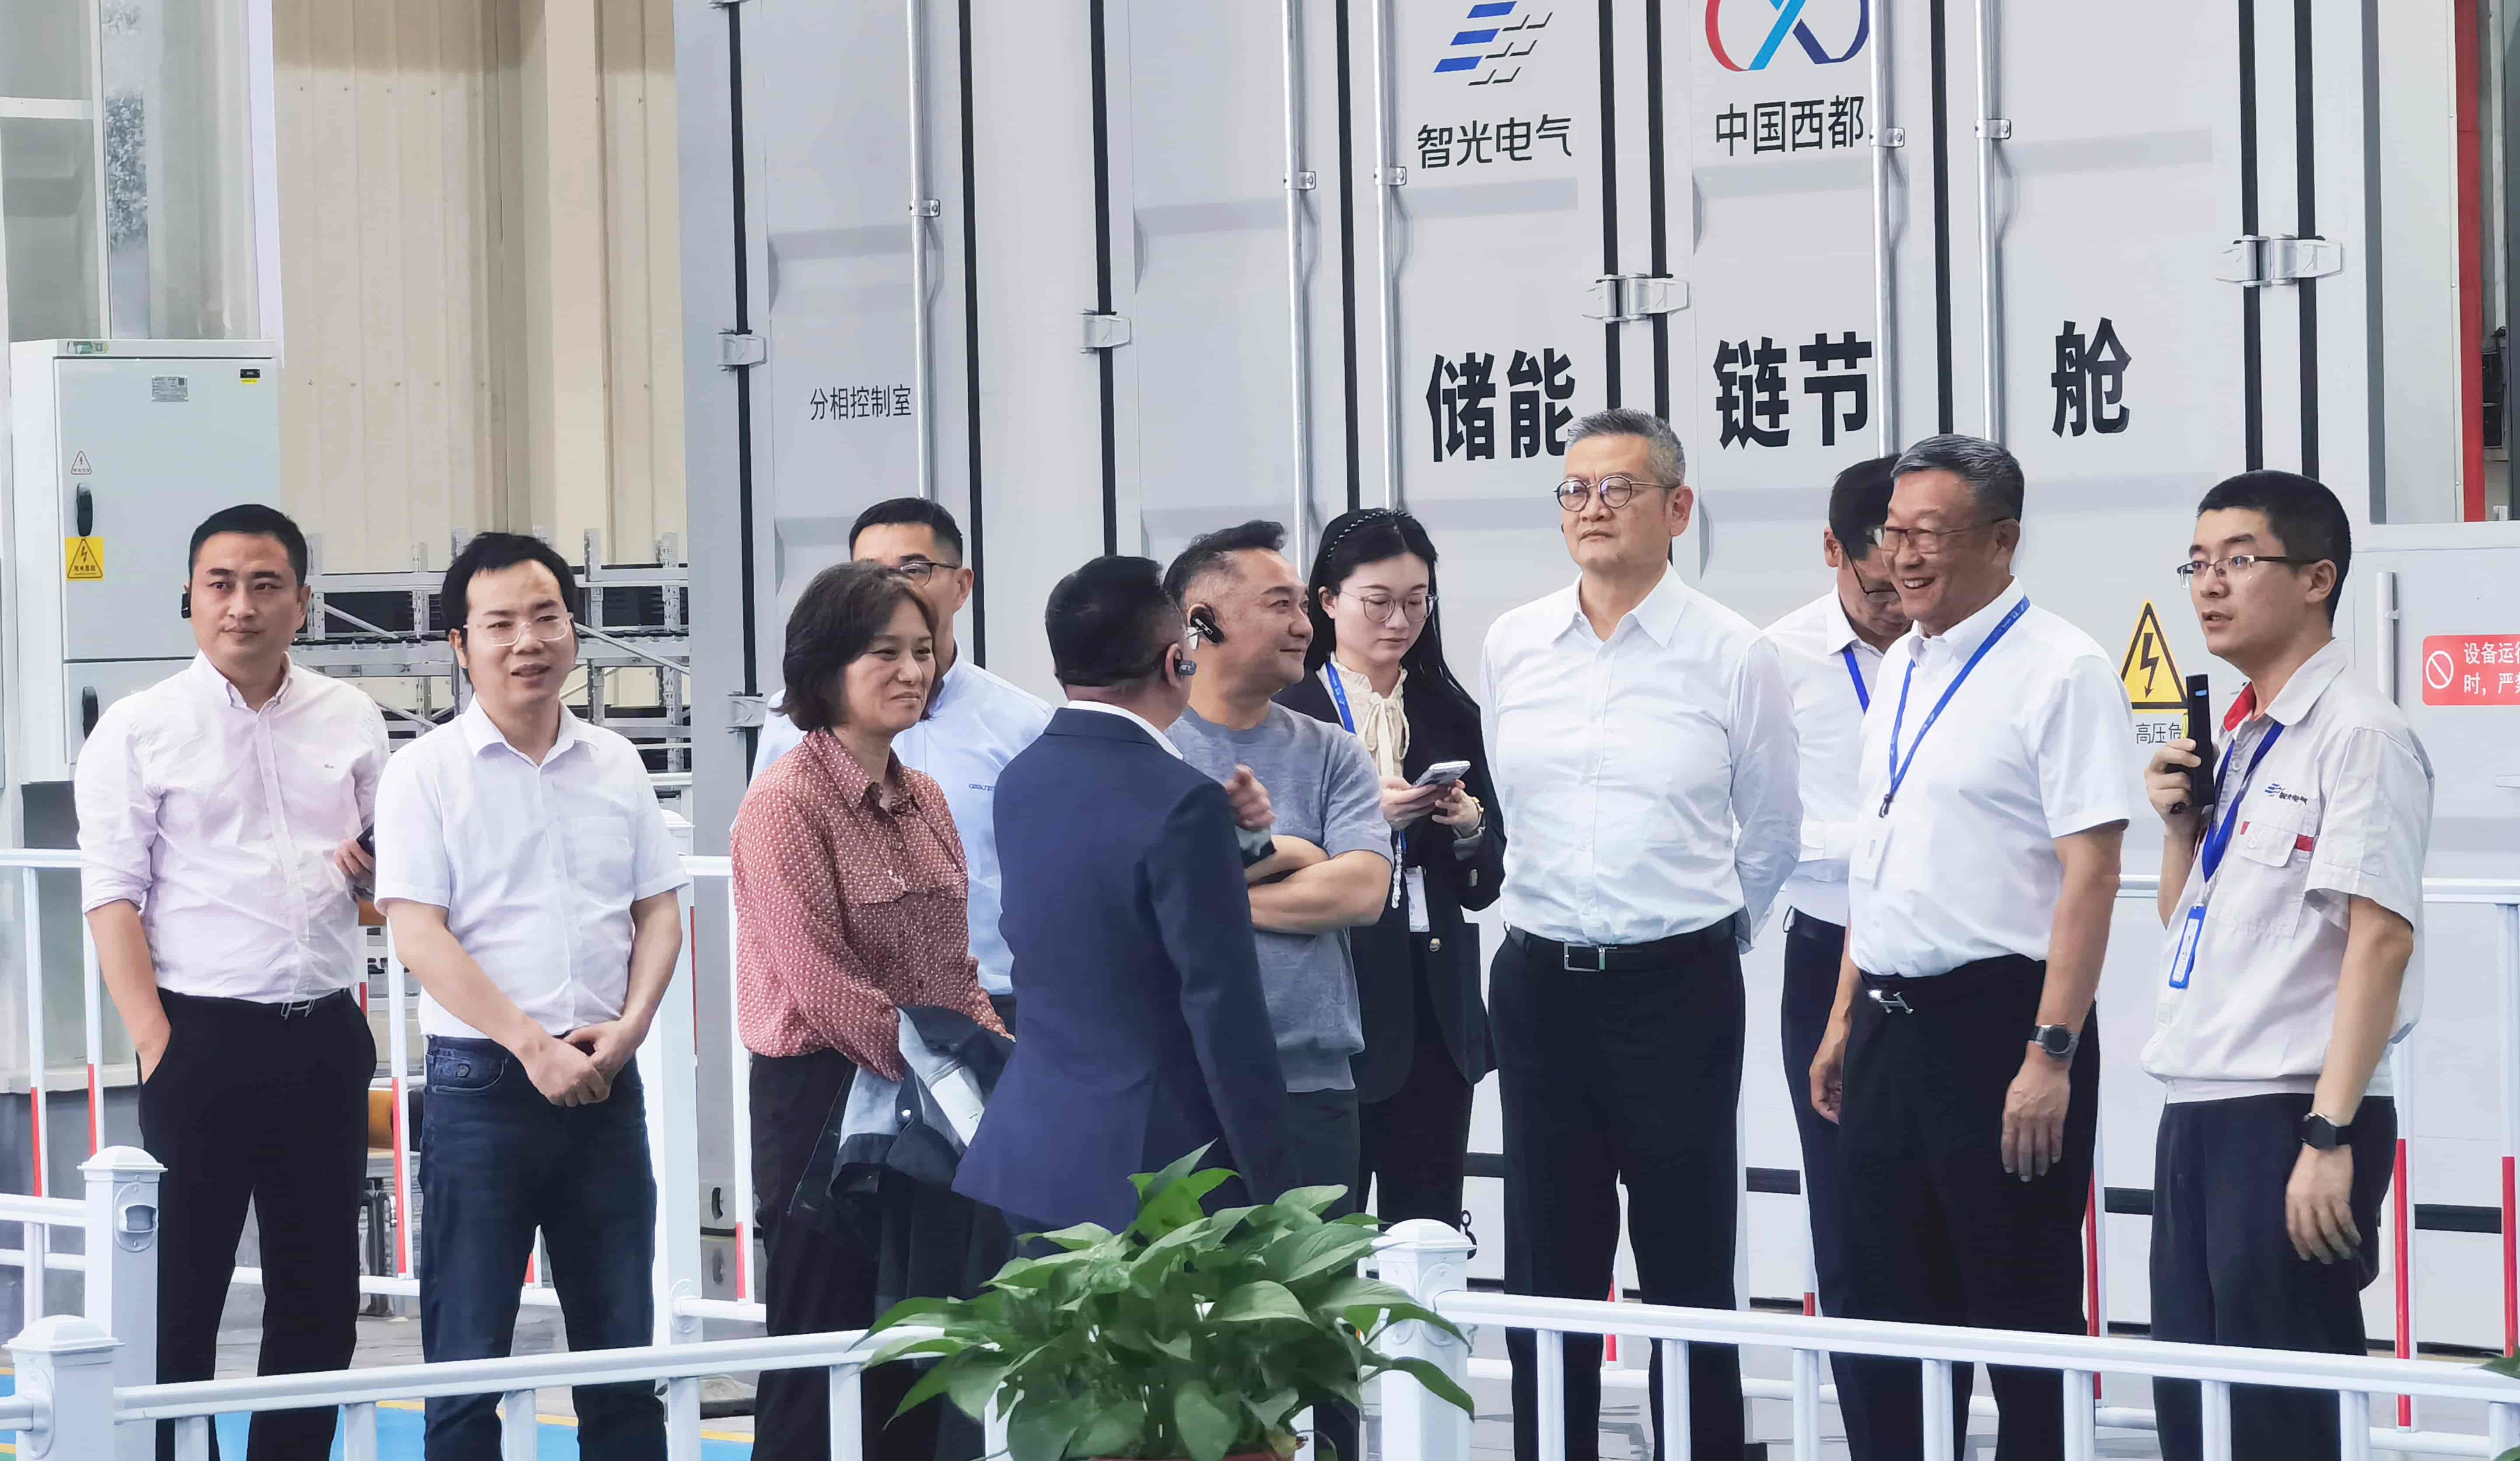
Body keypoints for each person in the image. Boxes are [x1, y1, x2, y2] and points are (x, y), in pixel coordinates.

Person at [1480, 408, 1800, 1461]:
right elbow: (1512, 813)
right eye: (1574, 490)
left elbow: (1771, 831)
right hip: (1537, 984)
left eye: (1617, 488)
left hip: (1677, 990)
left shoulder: (1734, 652)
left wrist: (1694, 934)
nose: (1592, 508)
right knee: (1547, 1258)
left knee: (1685, 1257)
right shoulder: (1514, 642)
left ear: (1677, 507)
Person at [1808, 434, 2133, 1461]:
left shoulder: (2063, 669)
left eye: (1929, 535)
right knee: (1882, 1305)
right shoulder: (1904, 661)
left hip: (2001, 1028)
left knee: (2017, 1303)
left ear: (2001, 540)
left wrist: (2051, 1052)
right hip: (1886, 1026)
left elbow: (2091, 872)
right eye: (1893, 532)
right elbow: (1885, 849)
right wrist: (1841, 1017)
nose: (1902, 556)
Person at [77, 504, 387, 1461]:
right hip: (199, 1037)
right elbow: (112, 896)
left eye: (265, 585)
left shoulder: (351, 716)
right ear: (189, 597)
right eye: (220, 584)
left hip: (325, 1034)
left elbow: (389, 890)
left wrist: (375, 880)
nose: (241, 606)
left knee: (318, 1299)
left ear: (304, 602)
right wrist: (157, 1042)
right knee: (181, 1300)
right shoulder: (140, 728)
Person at [374, 532, 688, 1460]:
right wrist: (530, 1044)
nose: (528, 641)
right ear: (460, 644)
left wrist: (631, 1028)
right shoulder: (425, 772)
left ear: (574, 630)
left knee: (621, 1364)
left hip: (605, 1079)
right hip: (482, 1086)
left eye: (547, 617)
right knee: (466, 1368)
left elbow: (658, 910)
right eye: (501, 623)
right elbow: (419, 934)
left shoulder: (616, 762)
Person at [2140, 472, 2433, 1461]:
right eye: (2196, 564)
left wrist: (2327, 1133)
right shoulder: (2242, 737)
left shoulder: (2358, 734)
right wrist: (2179, 833)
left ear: (2316, 578)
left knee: (2279, 1415)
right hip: (2200, 1103)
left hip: (2287, 1114)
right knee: (2196, 1408)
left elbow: (2379, 939)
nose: (2209, 585)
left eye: (2237, 560)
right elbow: (2188, 925)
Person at [734, 561, 1009, 1461]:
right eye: (884, 652)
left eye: (922, 651)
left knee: (921, 1351)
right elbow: (824, 987)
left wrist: (1000, 1066)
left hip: (929, 1103)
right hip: (825, 1105)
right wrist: (952, 1073)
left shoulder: (925, 797)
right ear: (826, 667)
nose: (912, 670)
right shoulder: (783, 802)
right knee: (822, 1355)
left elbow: (955, 968)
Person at [957, 556, 1288, 1232]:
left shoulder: (1022, 777)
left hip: (1036, 1146)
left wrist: (1242, 842)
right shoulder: (1184, 801)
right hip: (1154, 1162)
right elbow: (1222, 1007)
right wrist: (1272, 1178)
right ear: (1175, 663)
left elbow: (1093, 909)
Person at [1278, 507, 1503, 1229]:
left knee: (1426, 1236)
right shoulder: (1288, 714)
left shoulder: (1449, 711)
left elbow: (1487, 884)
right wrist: (1364, 822)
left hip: (1435, 1011)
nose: (1399, 622)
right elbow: (1253, 860)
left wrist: (1468, 829)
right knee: (1318, 1238)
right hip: (1331, 1007)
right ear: (1328, 600)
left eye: (1416, 601)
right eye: (1378, 602)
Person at [753, 499, 1050, 1028]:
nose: (891, 586)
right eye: (869, 571)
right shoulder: (791, 731)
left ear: (962, 585)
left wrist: (986, 1045)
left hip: (991, 1001)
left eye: (914, 568)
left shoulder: (1022, 724)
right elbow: (783, 913)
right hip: (837, 1030)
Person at [1162, 521, 1390, 1209]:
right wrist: (1297, 854)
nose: (1304, 625)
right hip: (1180, 1080)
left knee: (1312, 1278)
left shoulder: (1333, 750)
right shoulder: (1153, 748)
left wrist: (1209, 899)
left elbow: (1363, 891)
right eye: (1280, 604)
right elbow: (1137, 900)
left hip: (1312, 1086)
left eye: (1302, 605)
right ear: (1202, 621)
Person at [1758, 456, 1909, 1327]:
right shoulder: (1775, 659)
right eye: (1879, 587)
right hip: (1828, 954)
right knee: (1848, 1206)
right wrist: (1887, 842)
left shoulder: (1959, 649)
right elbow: (1760, 829)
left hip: (1952, 958)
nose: (1898, 607)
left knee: (1959, 1213)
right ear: (1831, 550)